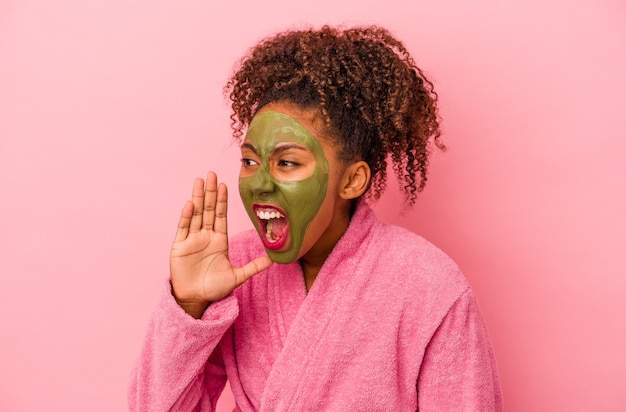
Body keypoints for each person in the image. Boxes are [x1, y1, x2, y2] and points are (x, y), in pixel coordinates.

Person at [129, 25, 502, 411]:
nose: (260, 183)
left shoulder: (429, 284)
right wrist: (188, 304)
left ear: (353, 180)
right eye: (250, 161)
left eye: (287, 162)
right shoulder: (233, 267)